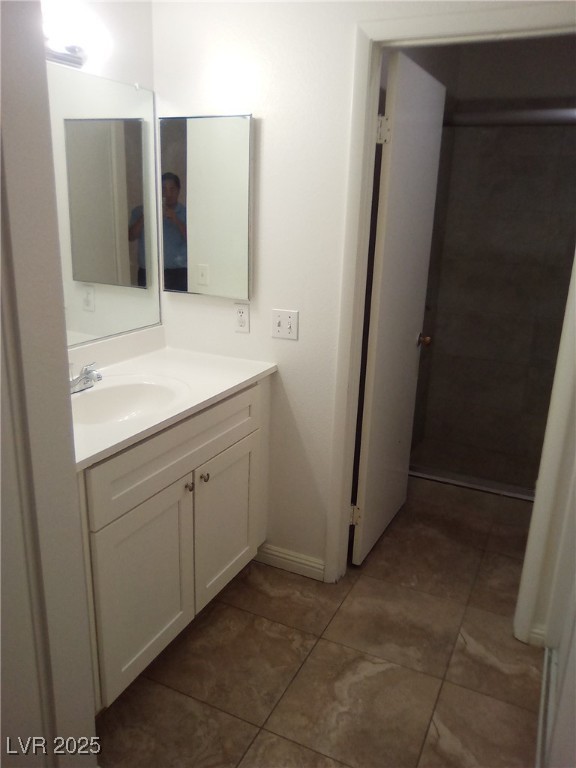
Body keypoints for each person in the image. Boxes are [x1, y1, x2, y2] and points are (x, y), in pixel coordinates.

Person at [128, 171, 188, 291]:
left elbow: (193, 240)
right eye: (164, 189)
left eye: (172, 189)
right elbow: (131, 236)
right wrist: (146, 214)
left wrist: (176, 219)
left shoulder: (186, 212)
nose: (168, 194)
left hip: (178, 273)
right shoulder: (139, 211)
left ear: (178, 191)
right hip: (147, 271)